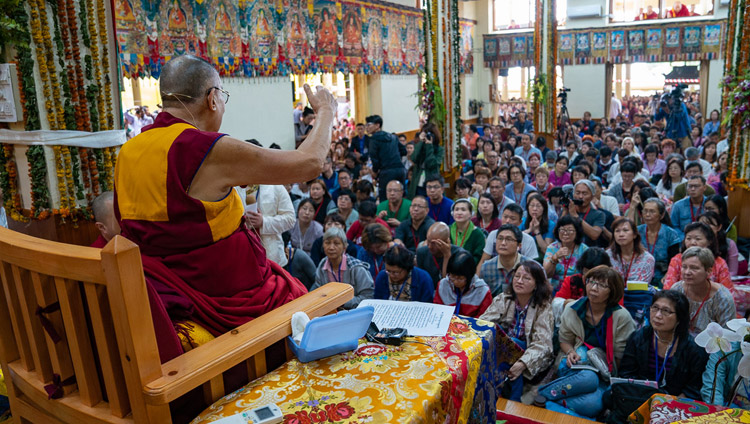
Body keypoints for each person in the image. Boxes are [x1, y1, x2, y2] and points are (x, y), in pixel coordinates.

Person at [114, 56, 335, 343]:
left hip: (164, 286)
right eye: (224, 95)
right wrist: (327, 111)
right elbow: (309, 163)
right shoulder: (202, 148)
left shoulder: (128, 152)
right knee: (317, 308)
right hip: (225, 297)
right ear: (212, 99)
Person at [541, 266, 635, 419]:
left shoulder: (622, 317)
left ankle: (547, 404)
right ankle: (542, 395)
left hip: (604, 372)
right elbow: (565, 340)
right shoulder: (573, 308)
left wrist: (611, 379)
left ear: (612, 290)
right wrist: (570, 352)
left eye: (602, 285)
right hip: (574, 367)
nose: (594, 288)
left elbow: (620, 356)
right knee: (588, 377)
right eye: (591, 282)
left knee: (593, 405)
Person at [480, 260, 555, 402]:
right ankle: (509, 401)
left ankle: (507, 399)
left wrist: (523, 363)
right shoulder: (505, 298)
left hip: (529, 353)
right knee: (494, 334)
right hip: (504, 351)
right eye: (517, 276)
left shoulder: (543, 306)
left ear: (536, 284)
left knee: (511, 344)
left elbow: (543, 345)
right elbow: (484, 323)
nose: (519, 281)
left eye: (526, 278)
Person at [618, 291, 708, 403]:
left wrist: (668, 405)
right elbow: (626, 373)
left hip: (674, 402)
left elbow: (694, 388)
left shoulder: (694, 348)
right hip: (639, 397)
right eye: (655, 308)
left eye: (666, 311)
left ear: (680, 317)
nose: (657, 315)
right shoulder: (639, 337)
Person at [669, 247, 736, 337]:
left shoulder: (723, 298)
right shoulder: (677, 290)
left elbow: (727, 334)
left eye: (694, 268)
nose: (687, 272)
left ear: (708, 271)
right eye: (684, 267)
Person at [311, 227, 374, 309]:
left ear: (345, 247)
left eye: (336, 243)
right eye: (327, 243)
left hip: (354, 312)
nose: (331, 247)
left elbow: (368, 297)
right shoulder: (322, 265)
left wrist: (342, 302)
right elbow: (318, 293)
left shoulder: (356, 268)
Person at [663, 222, 732, 291]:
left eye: (698, 239)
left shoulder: (719, 262)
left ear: (709, 241)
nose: (692, 242)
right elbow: (668, 289)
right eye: (688, 238)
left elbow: (727, 291)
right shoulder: (677, 259)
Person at [245, 184, 296, 267]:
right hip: (245, 255)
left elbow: (290, 219)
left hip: (273, 258)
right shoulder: (236, 188)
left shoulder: (276, 186)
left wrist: (264, 222)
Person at [478, 204, 539, 271]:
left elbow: (532, 266)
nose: (507, 221)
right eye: (505, 217)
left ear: (520, 222)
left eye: (512, 218)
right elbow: (484, 260)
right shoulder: (493, 234)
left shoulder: (528, 240)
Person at [479, 225, 536, 296]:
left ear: (519, 246)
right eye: (500, 238)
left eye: (509, 239)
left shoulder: (532, 268)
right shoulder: (486, 268)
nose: (503, 243)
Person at [433, 250, 492, 318]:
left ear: (470, 276)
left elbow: (484, 318)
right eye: (452, 276)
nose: (455, 281)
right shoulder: (443, 285)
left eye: (460, 278)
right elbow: (437, 310)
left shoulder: (482, 291)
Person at [638, 198, 683, 285]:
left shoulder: (671, 234)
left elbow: (673, 259)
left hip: (663, 273)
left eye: (652, 211)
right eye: (645, 211)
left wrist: (668, 274)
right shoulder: (637, 232)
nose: (647, 214)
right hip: (641, 272)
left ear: (661, 215)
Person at [365, 115, 406, 202]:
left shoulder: (373, 139)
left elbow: (374, 159)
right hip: (401, 170)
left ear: (377, 125)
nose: (366, 127)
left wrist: (375, 172)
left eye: (369, 125)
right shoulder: (393, 137)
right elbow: (404, 151)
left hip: (386, 172)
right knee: (401, 197)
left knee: (386, 199)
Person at [543, 215, 589, 290]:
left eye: (570, 230)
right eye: (562, 230)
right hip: (556, 289)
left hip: (577, 289)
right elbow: (546, 274)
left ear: (577, 232)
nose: (565, 233)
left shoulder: (584, 249)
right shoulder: (552, 248)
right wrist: (554, 259)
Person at [607, 217, 655, 284]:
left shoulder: (647, 259)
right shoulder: (607, 256)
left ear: (634, 235)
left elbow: (642, 286)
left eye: (625, 230)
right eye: (617, 231)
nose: (621, 235)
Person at [417, 222, 462, 286]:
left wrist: (447, 255)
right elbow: (421, 280)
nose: (429, 246)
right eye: (428, 241)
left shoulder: (459, 254)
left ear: (446, 242)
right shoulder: (422, 252)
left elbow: (449, 285)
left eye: (434, 243)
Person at [565, 180, 607, 247]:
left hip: (589, 251)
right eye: (577, 193)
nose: (580, 197)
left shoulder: (599, 214)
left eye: (584, 194)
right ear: (573, 195)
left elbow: (594, 235)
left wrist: (575, 216)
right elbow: (556, 233)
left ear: (592, 197)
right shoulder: (568, 210)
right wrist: (565, 211)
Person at [407, 128, 444, 199]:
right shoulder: (420, 147)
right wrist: (420, 142)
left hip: (431, 183)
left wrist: (429, 146)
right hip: (417, 183)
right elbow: (413, 158)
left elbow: (432, 164)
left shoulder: (439, 149)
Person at [699, 211, 739, 276]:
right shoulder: (693, 243)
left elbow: (733, 272)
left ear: (719, 227)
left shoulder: (729, 244)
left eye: (709, 224)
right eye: (701, 224)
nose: (705, 227)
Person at [522, 194, 555, 262]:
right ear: (528, 208)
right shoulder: (523, 221)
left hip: (542, 261)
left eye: (538, 206)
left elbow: (546, 250)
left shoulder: (551, 225)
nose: (534, 209)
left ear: (544, 209)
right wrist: (529, 230)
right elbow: (515, 240)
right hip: (524, 259)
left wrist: (537, 231)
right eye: (532, 205)